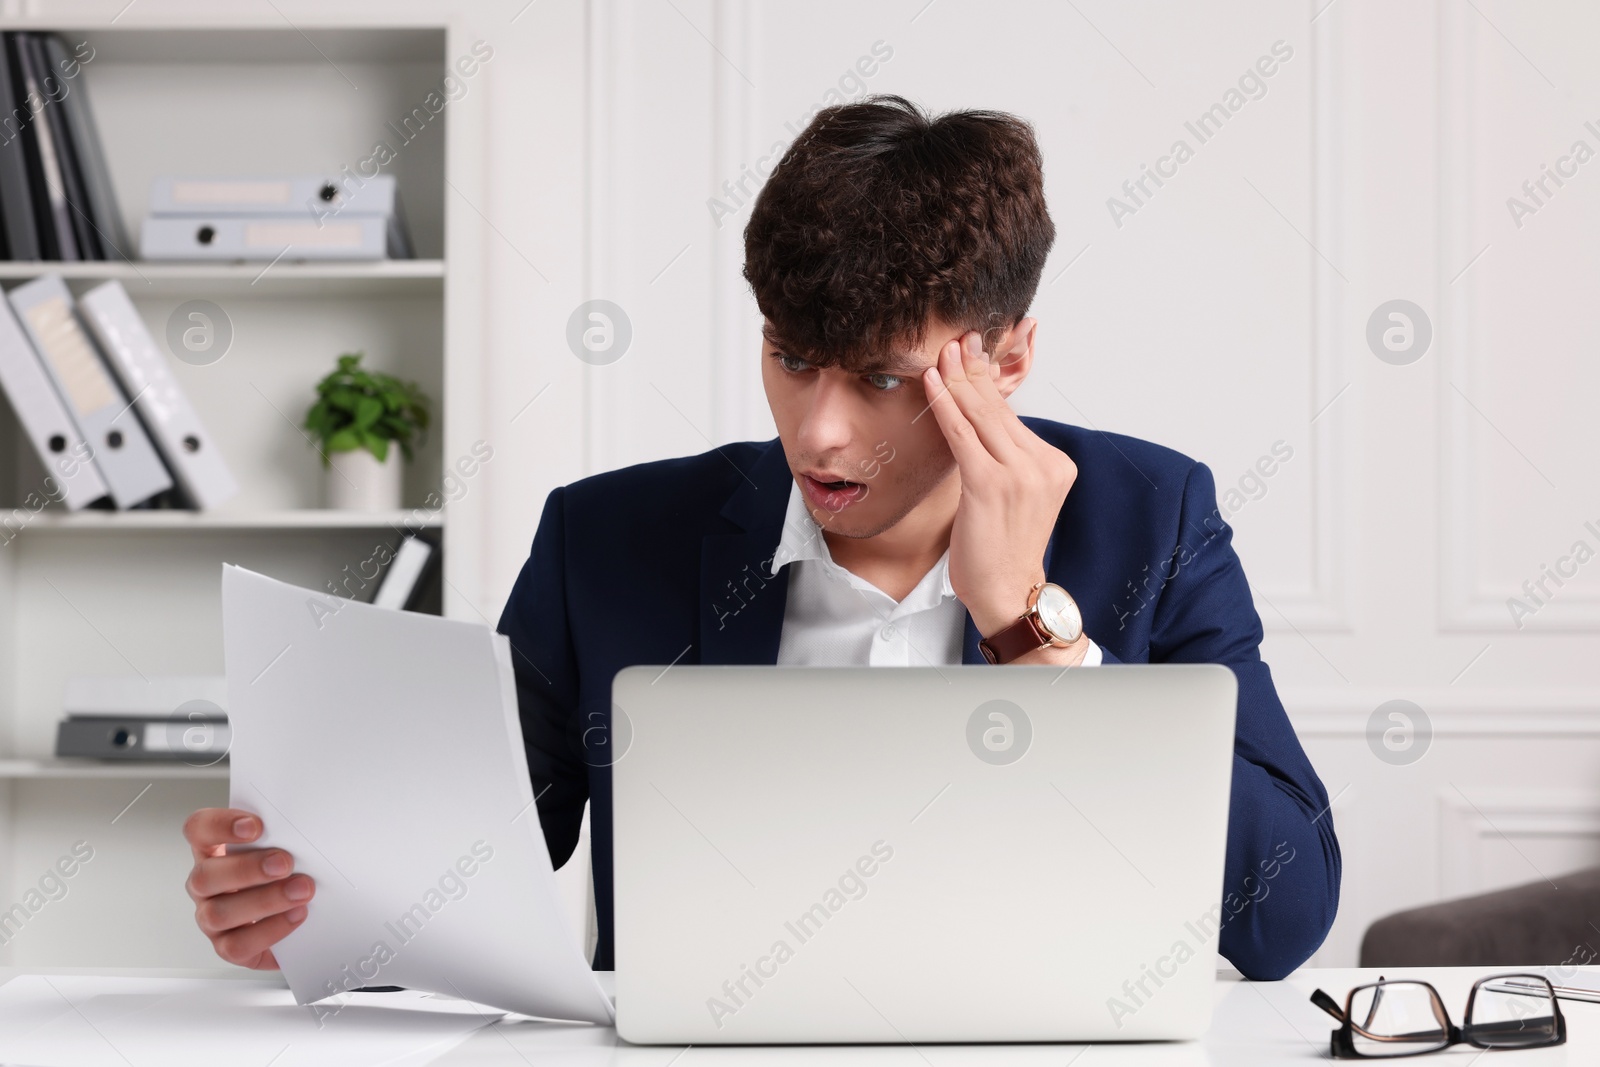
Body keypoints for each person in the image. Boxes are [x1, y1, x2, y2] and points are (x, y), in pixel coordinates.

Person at [183, 94, 1340, 982]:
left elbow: (1281, 920)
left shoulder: (1150, 514)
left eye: (884, 377)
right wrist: (303, 905)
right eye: (791, 359)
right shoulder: (606, 537)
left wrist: (1029, 630)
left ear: (1006, 359)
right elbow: (471, 863)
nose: (821, 432)